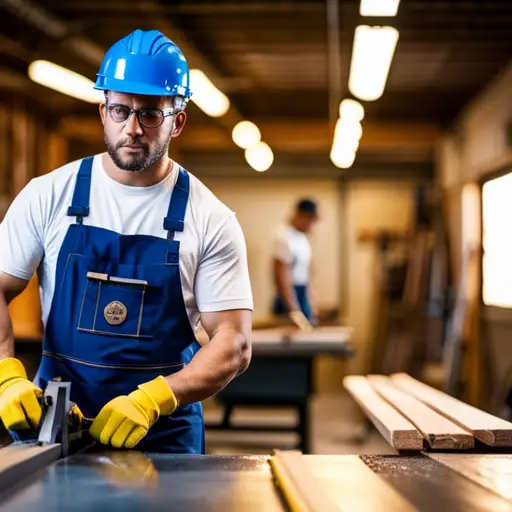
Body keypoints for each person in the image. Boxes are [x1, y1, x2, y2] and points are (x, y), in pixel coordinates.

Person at [0, 29, 253, 454]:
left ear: (178, 121)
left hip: (163, 435)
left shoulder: (210, 219)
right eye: (120, 110)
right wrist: (6, 376)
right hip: (55, 427)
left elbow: (234, 341)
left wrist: (154, 400)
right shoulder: (49, 195)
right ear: (103, 112)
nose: (132, 128)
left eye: (151, 113)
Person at [272, 199, 319, 329]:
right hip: (289, 296)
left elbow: (306, 273)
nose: (312, 224)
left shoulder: (302, 238)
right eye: (310, 219)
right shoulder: (284, 236)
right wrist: (293, 310)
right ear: (300, 215)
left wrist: (311, 301)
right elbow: (281, 276)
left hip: (302, 293)